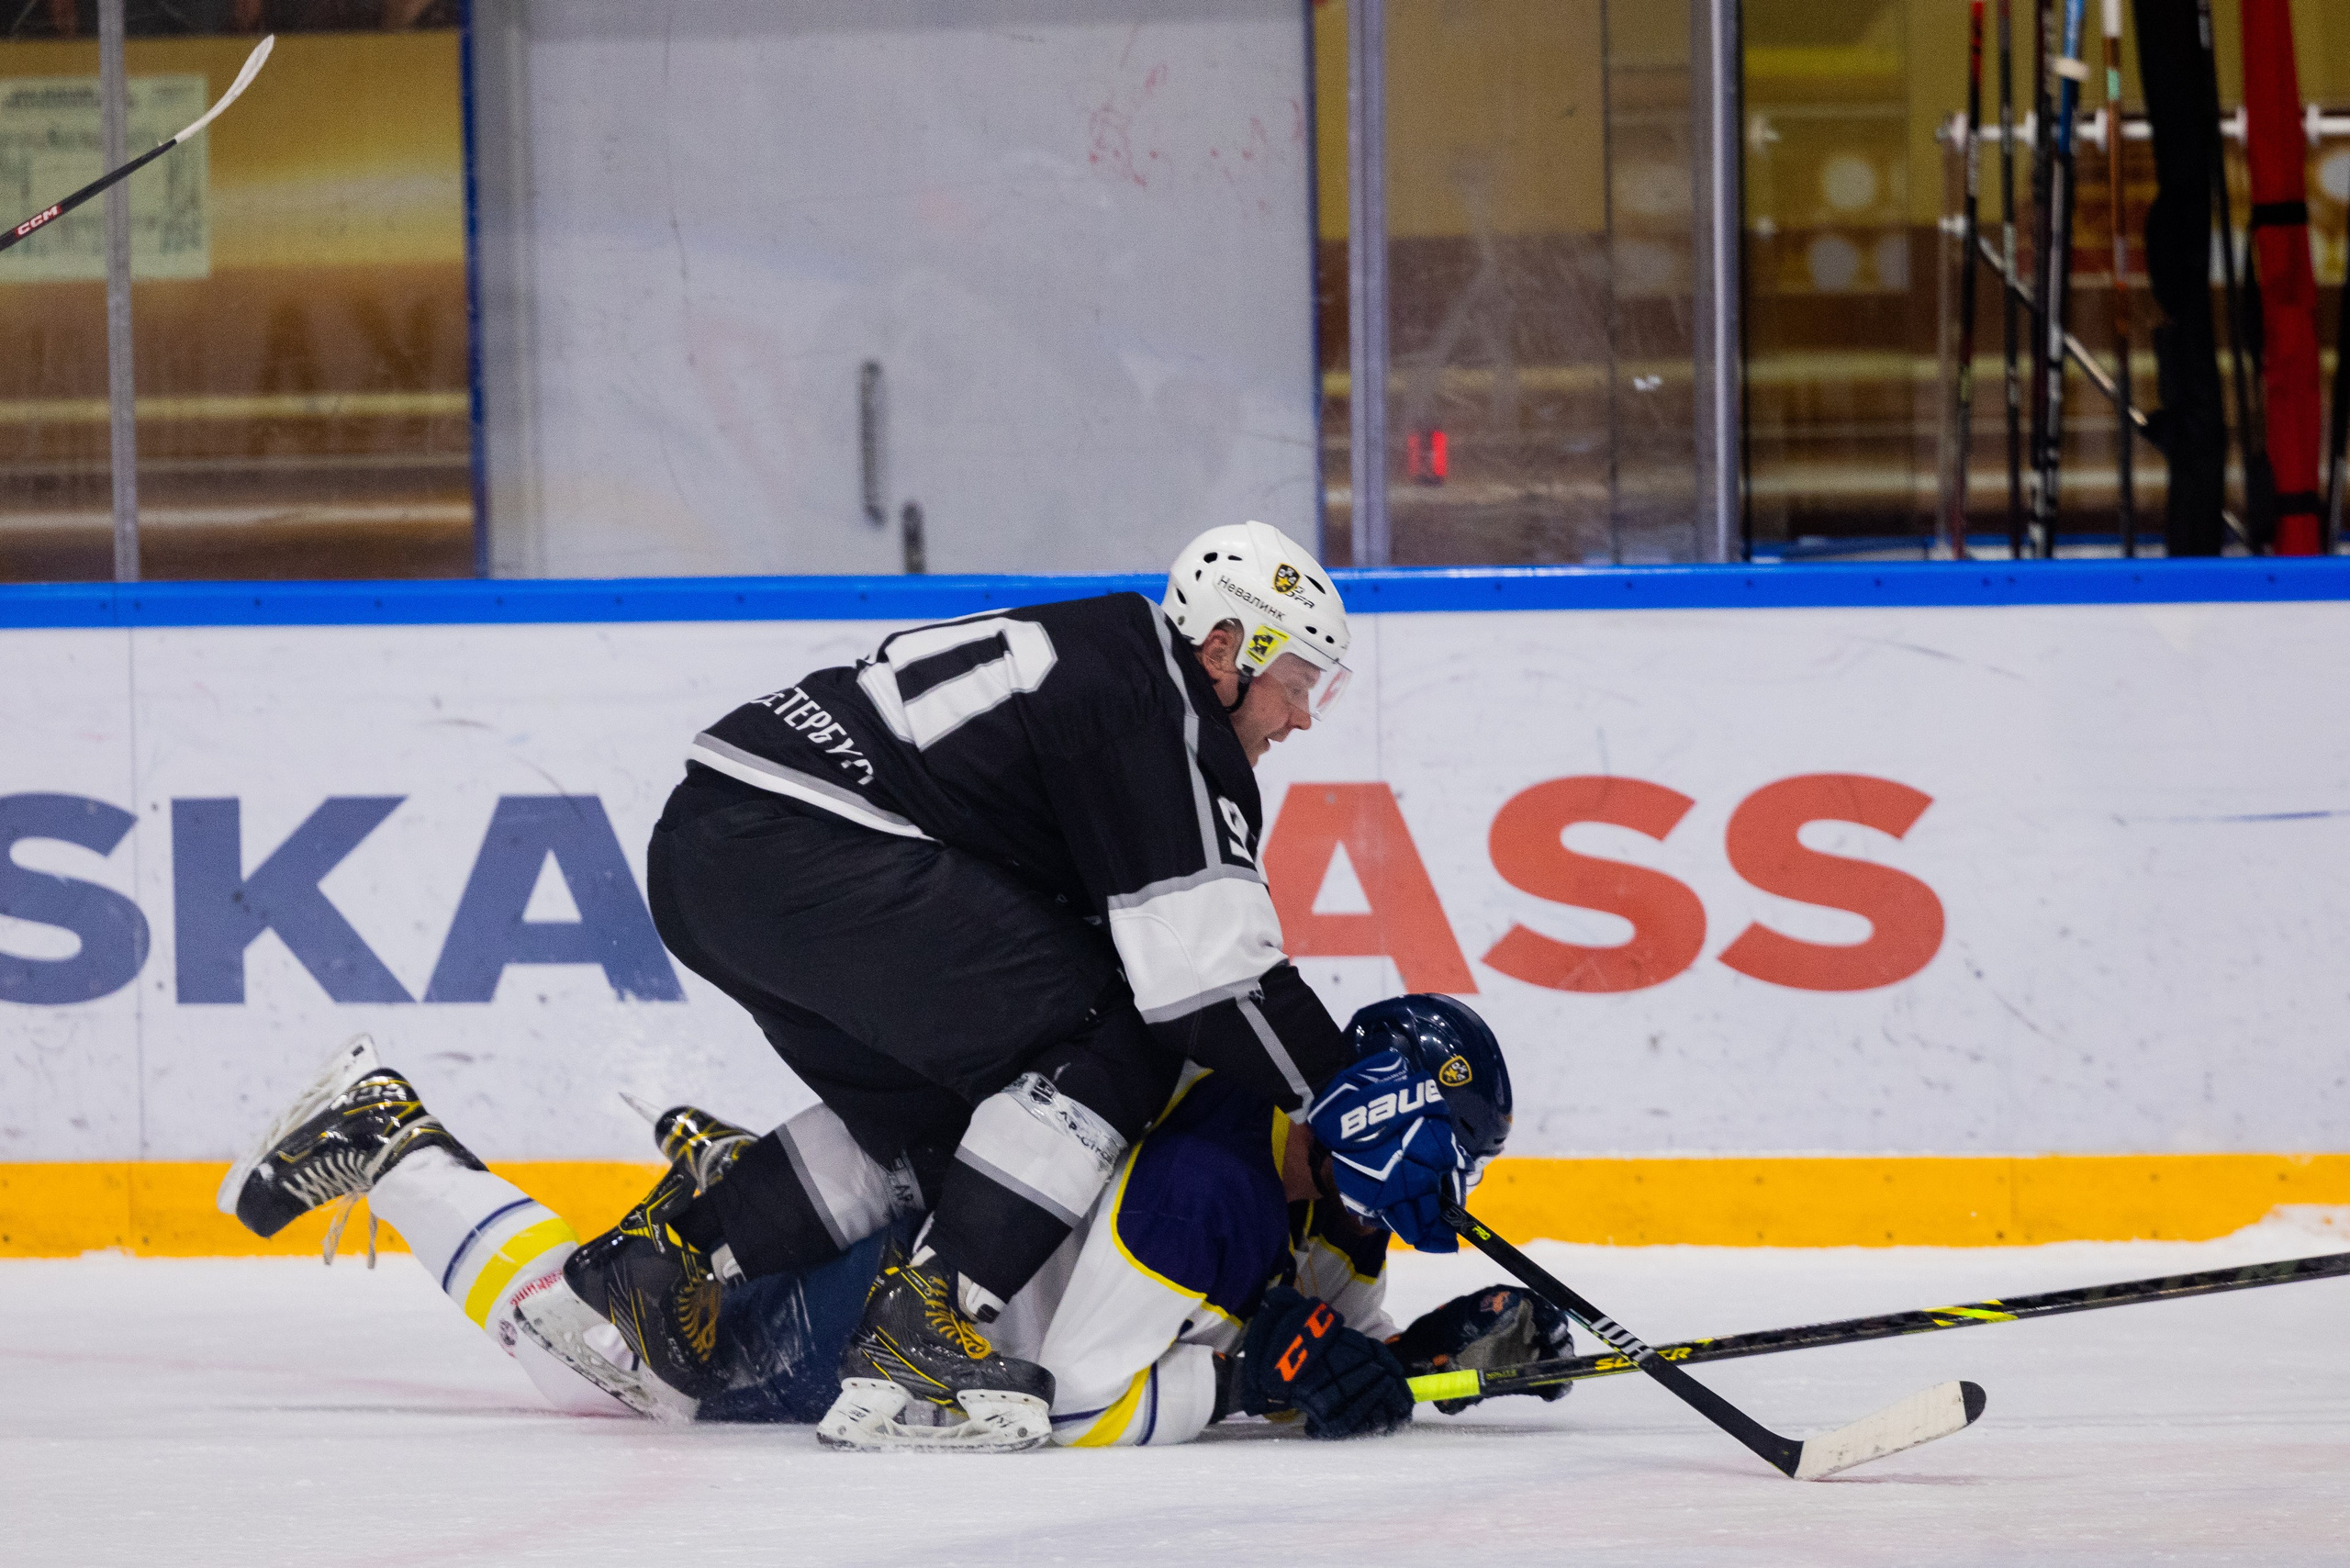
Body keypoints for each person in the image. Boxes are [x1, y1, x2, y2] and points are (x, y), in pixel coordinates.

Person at [526, 521, 1488, 1448]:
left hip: (710, 850)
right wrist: (1345, 1099)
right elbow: (1204, 983)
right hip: (809, 841)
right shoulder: (1162, 711)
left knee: (959, 1118)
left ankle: (666, 1253)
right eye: (1292, 683)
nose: (1300, 715)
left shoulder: (1109, 665)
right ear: (1226, 648)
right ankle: (921, 1332)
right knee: (1110, 1045)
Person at [215, 997, 1572, 1450]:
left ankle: (727, 1178)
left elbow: (1319, 1329)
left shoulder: (1321, 1196)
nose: (1460, 1185)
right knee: (618, 1364)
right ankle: (386, 1139)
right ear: (1393, 1125)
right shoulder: (1213, 1185)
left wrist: (1433, 1355)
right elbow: (1066, 1404)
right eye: (1457, 1153)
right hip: (907, 1302)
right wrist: (1246, 1385)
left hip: (932, 1221)